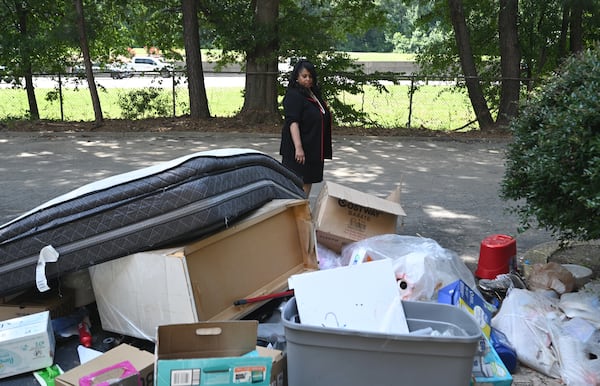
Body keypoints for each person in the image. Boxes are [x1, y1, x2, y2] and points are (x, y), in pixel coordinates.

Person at [279, 59, 332, 196]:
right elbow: (293, 122)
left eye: (310, 76)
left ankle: (302, 209)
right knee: (296, 183)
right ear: (297, 77)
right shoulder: (294, 95)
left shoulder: (313, 94)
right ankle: (295, 212)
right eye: (304, 76)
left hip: (313, 147)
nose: (308, 79)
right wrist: (298, 147)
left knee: (308, 181)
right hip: (299, 149)